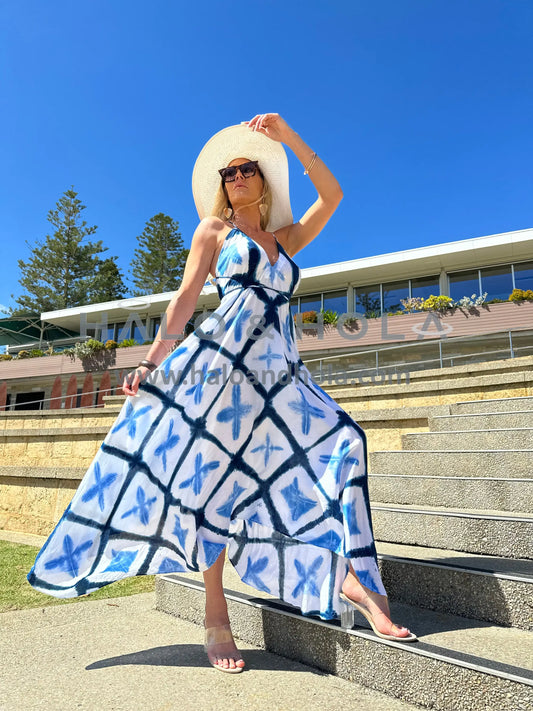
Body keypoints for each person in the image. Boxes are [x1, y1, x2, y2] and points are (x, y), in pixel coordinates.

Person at [27, 113, 416, 676]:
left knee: (345, 440)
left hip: (281, 376)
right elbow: (185, 300)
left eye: (246, 168)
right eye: (228, 171)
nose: (235, 176)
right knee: (211, 484)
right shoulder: (214, 233)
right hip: (221, 370)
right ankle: (216, 617)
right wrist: (152, 360)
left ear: (263, 182)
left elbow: (331, 195)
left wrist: (289, 140)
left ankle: (346, 574)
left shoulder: (284, 239)